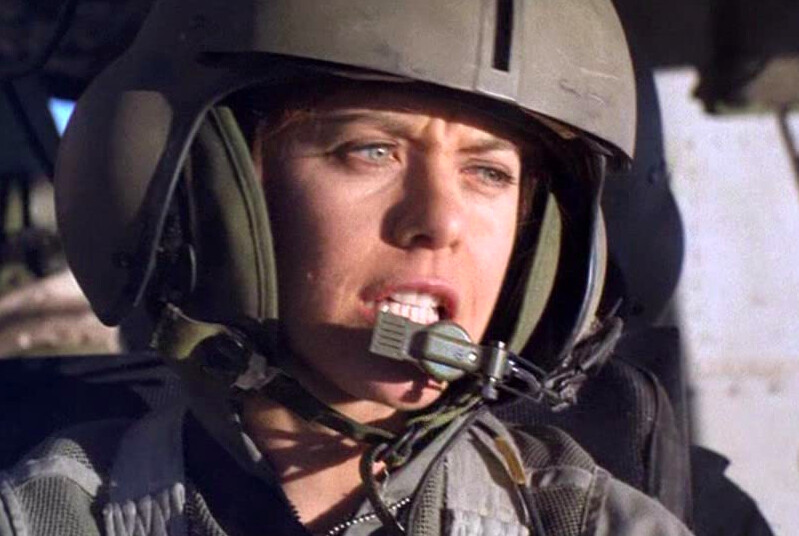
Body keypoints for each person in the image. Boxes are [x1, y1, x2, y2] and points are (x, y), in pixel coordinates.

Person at [0, 1, 694, 535]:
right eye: (370, 151)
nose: (440, 220)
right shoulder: (48, 517)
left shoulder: (584, 522)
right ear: (205, 197)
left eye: (488, 172)